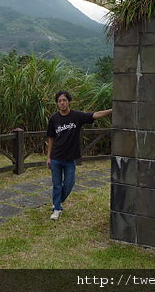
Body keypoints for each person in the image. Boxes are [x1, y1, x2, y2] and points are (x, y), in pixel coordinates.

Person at [46, 91, 112, 220]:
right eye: (59, 101)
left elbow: (95, 115)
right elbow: (51, 139)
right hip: (56, 158)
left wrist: (113, 110)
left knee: (69, 183)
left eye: (64, 100)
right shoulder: (54, 119)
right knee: (57, 184)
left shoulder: (77, 116)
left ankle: (56, 202)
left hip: (70, 158)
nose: (62, 103)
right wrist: (48, 157)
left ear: (69, 101)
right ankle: (57, 208)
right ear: (57, 103)